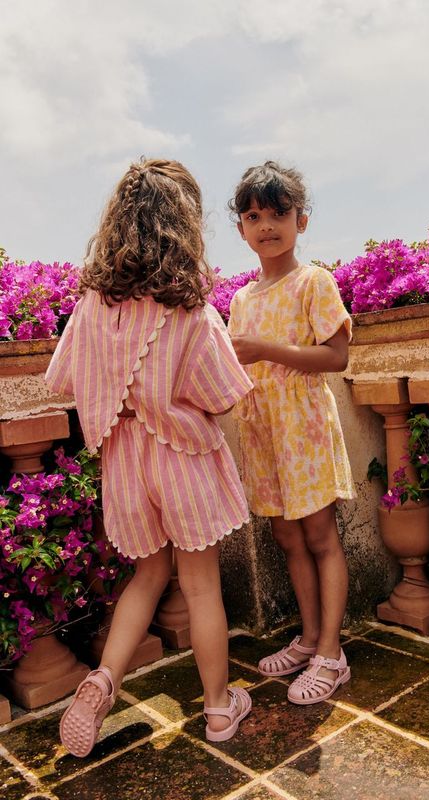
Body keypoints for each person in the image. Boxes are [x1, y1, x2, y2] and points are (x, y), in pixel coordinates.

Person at [45, 159, 253, 756]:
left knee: (147, 575)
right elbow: (225, 395)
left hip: (124, 461)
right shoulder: (189, 307)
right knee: (202, 587)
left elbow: (66, 379)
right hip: (181, 458)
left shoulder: (92, 305)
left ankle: (102, 681)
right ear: (182, 226)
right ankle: (218, 709)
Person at [227, 161, 355, 705]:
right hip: (264, 433)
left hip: (303, 429)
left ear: (301, 220)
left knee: (321, 536)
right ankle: (306, 638)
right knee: (286, 537)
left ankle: (332, 652)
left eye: (279, 213)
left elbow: (337, 355)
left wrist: (265, 351)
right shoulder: (240, 300)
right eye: (254, 216)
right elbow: (233, 365)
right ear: (241, 229)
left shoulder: (313, 281)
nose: (267, 225)